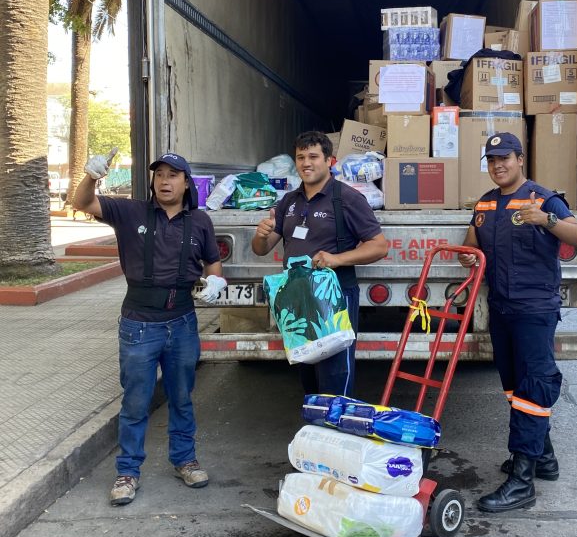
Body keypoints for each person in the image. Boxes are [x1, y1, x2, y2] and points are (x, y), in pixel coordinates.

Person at [73, 149, 226, 506]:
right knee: (135, 402)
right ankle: (127, 472)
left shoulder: (200, 221)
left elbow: (213, 264)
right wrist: (91, 177)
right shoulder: (130, 212)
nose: (165, 181)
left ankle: (185, 460)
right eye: (160, 174)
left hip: (184, 322)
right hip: (139, 325)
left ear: (186, 183)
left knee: (182, 398)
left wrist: (215, 282)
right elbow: (81, 202)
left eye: (174, 175)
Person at [458, 133, 577, 513]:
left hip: (534, 310)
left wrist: (546, 220)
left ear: (520, 159)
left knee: (533, 387)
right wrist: (469, 255)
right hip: (502, 308)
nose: (498, 165)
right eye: (492, 160)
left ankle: (522, 479)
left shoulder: (543, 198)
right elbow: (473, 241)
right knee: (513, 387)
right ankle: (543, 458)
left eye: (505, 158)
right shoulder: (485, 203)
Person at [251, 131, 388, 396]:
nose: (306, 163)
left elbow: (379, 246)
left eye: (313, 156)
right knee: (308, 376)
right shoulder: (288, 201)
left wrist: (337, 259)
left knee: (336, 376)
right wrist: (261, 235)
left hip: (334, 299)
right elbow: (262, 249)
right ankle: (317, 431)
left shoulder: (346, 198)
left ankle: (336, 430)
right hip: (297, 298)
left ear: (330, 161)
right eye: (300, 157)